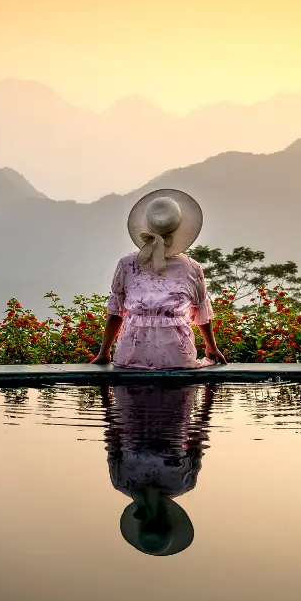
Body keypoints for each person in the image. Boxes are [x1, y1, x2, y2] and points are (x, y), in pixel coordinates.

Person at [90, 189, 228, 369]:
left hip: (132, 353)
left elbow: (116, 314)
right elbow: (201, 312)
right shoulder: (191, 267)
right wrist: (211, 347)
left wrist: (104, 352)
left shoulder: (127, 264)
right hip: (175, 355)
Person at [102, 384, 216, 556]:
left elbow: (112, 433)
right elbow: (198, 437)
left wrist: (104, 386)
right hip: (173, 396)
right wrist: (210, 389)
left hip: (137, 395)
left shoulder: (121, 482)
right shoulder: (183, 483)